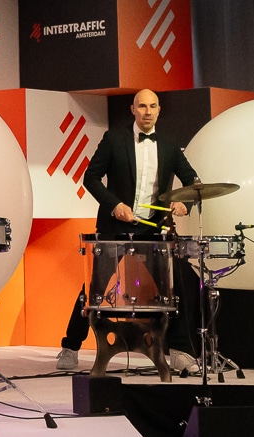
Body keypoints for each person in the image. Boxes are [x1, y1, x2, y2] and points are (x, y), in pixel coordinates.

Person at [57, 88, 201, 373]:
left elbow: (192, 182)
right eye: (142, 106)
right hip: (115, 226)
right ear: (133, 109)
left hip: (154, 228)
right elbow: (91, 177)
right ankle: (70, 346)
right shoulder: (114, 138)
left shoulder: (170, 144)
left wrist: (184, 203)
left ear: (159, 110)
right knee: (94, 288)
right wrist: (114, 205)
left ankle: (181, 351)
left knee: (173, 288)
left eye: (153, 106)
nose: (148, 112)